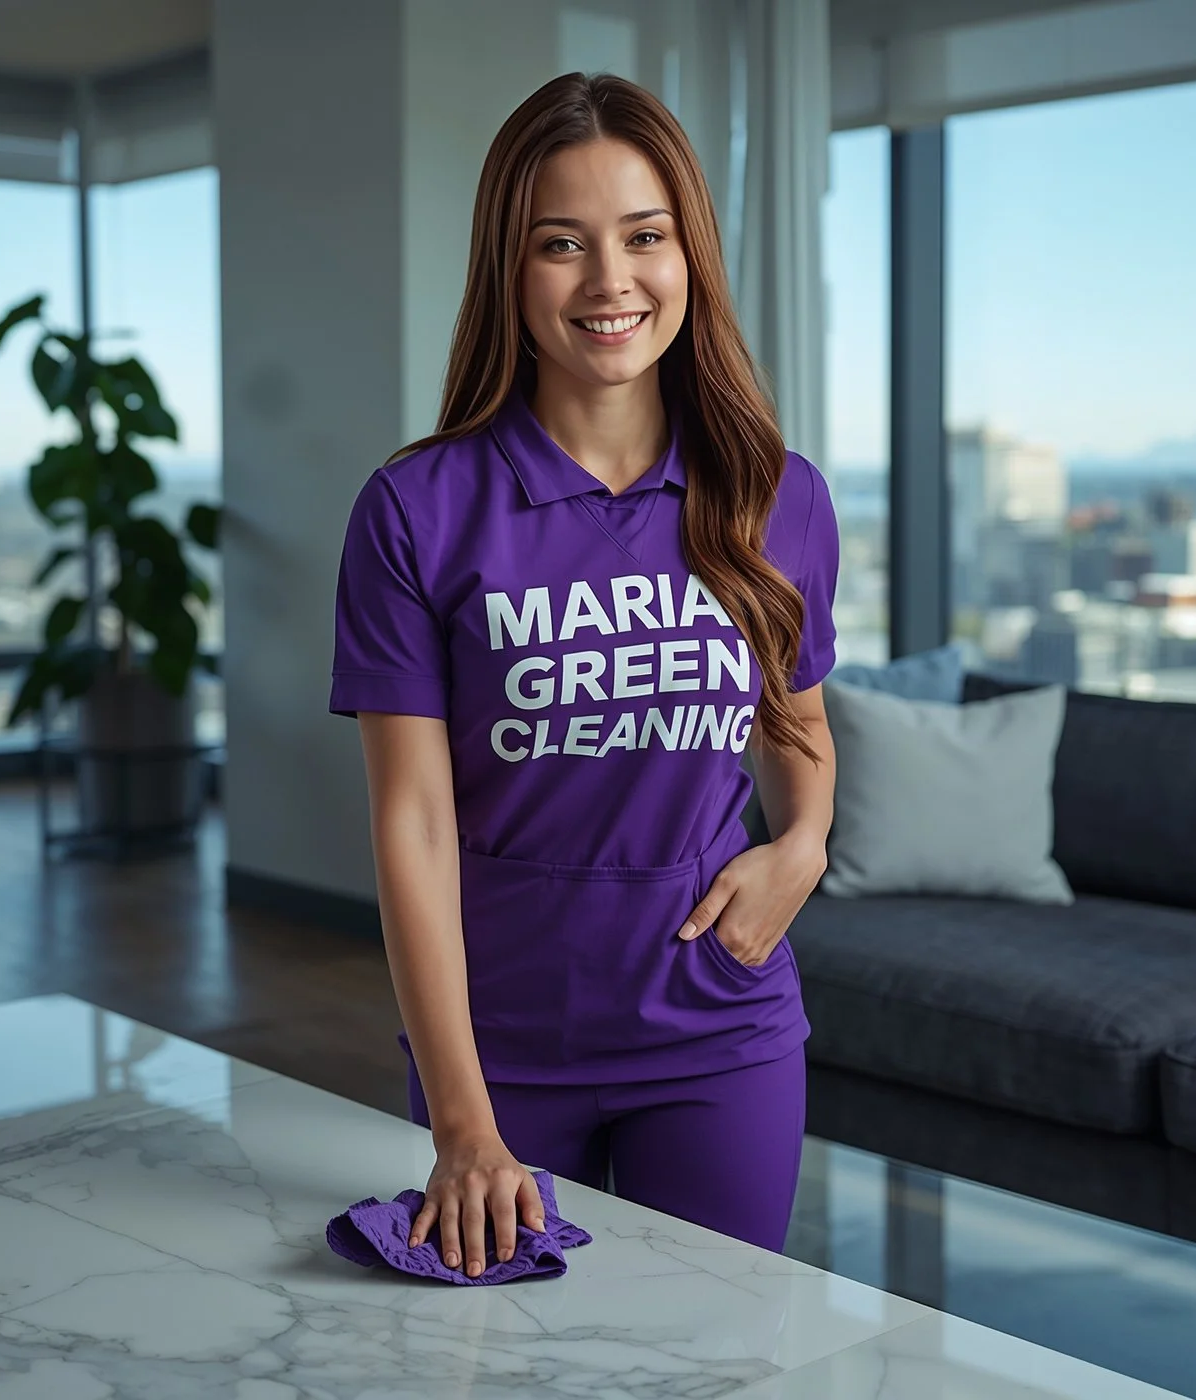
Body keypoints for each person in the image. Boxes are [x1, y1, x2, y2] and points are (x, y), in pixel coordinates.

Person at [329, 71, 839, 1276]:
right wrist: (461, 1119)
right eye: (562, 243)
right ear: (510, 269)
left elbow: (795, 716)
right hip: (498, 1043)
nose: (611, 282)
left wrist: (804, 842)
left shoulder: (777, 494)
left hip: (721, 1024)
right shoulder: (416, 509)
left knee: (715, 1353)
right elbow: (411, 824)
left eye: (643, 237)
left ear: (688, 256)